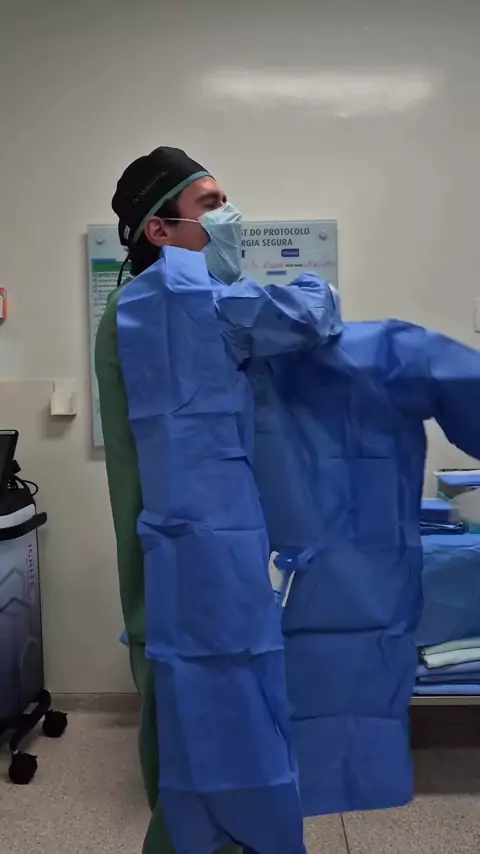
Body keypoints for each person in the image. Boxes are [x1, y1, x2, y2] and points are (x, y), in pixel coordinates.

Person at [97, 146, 480, 851]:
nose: (229, 214)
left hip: (198, 569)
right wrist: (320, 294)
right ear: (159, 229)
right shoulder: (159, 303)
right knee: (200, 758)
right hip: (183, 580)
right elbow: (301, 318)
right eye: (211, 204)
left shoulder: (185, 307)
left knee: (221, 740)